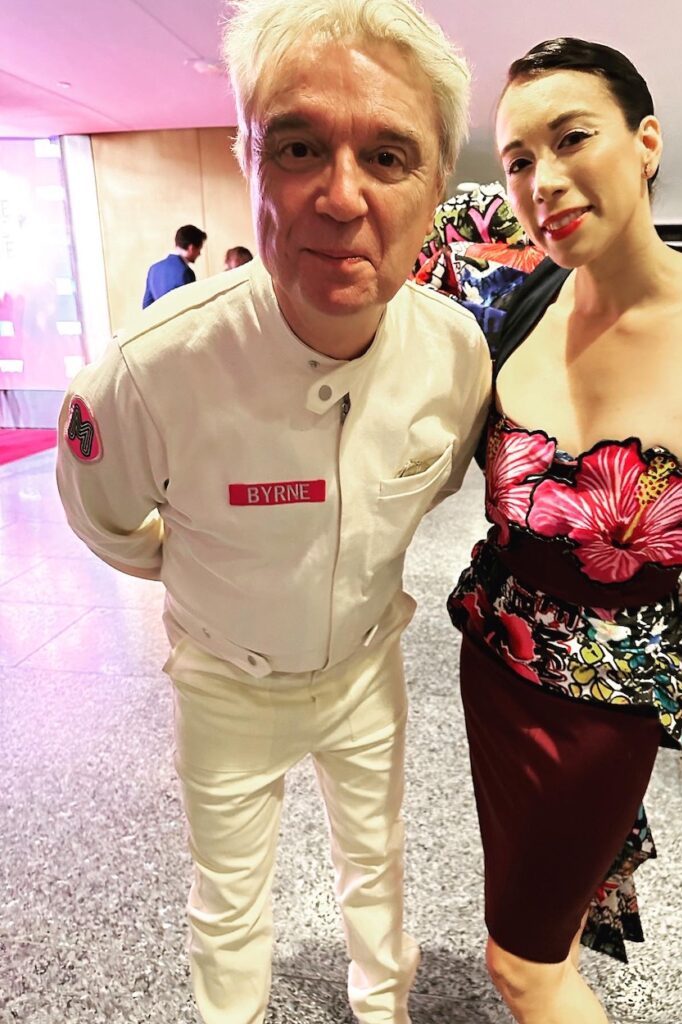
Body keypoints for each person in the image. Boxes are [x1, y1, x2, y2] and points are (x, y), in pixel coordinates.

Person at [55, 3, 488, 1023]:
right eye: (299, 145)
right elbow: (109, 518)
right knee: (229, 901)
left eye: (390, 155)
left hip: (364, 669)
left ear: (435, 188)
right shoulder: (146, 375)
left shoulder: (456, 354)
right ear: (249, 157)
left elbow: (435, 482)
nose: (341, 197)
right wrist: (214, 574)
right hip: (225, 684)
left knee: (378, 871)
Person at [419, 37, 682, 1024]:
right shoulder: (511, 291)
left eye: (572, 138)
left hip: (604, 711)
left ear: (646, 142)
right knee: (533, 925)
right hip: (490, 660)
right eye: (516, 158)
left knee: (521, 965)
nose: (541, 181)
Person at [142, 224, 207, 307]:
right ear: (191, 248)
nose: (199, 253)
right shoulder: (186, 272)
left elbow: (146, 305)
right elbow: (190, 307)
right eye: (199, 249)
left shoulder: (153, 269)